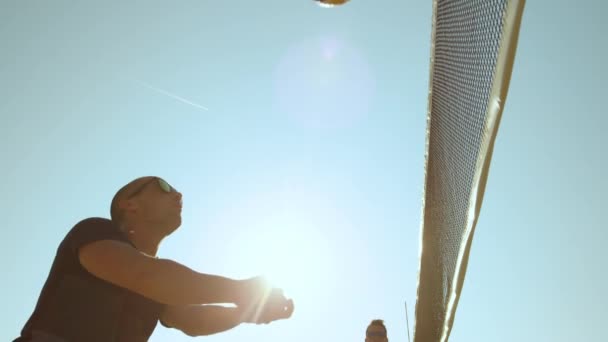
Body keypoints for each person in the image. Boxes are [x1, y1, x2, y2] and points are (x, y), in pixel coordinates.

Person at [14, 176, 294, 341]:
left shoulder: (162, 286)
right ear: (129, 203)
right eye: (162, 186)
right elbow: (146, 276)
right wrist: (243, 290)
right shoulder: (94, 230)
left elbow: (192, 321)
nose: (178, 194)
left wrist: (247, 312)